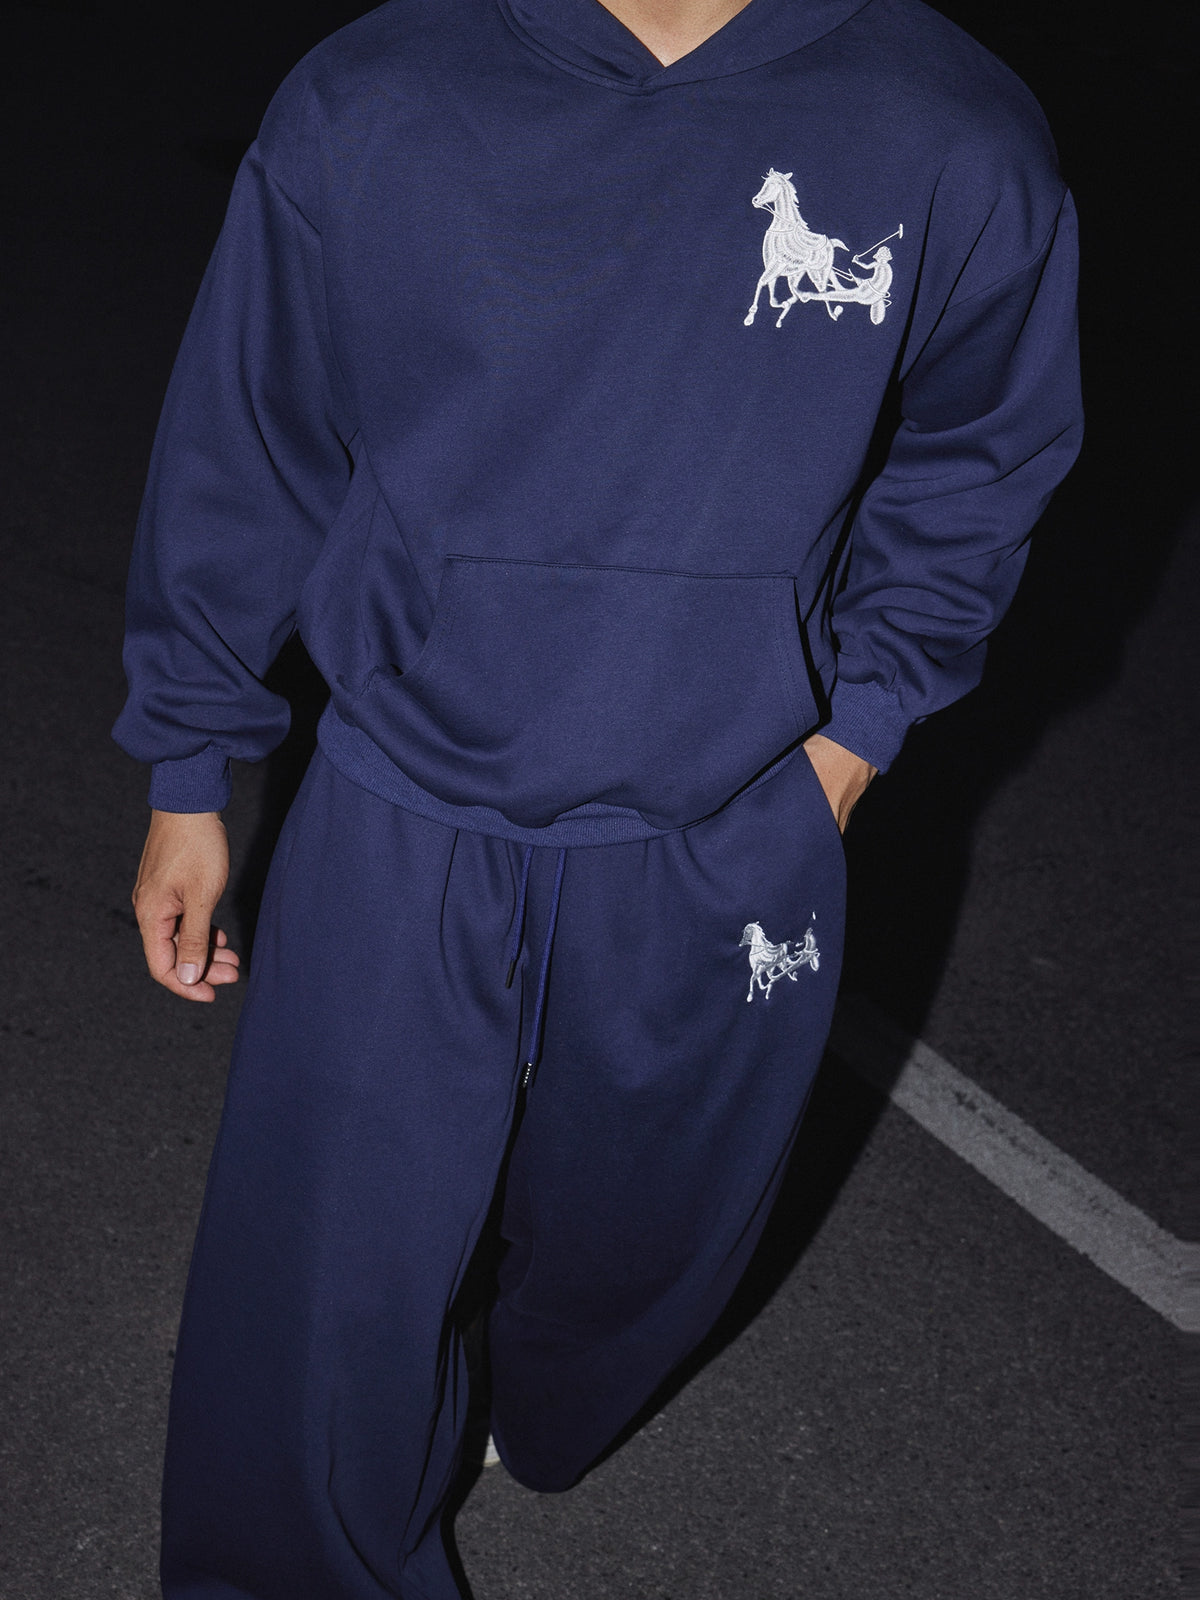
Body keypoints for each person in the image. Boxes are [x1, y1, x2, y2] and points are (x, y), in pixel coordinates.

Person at [115, 0, 1082, 1594]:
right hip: (405, 796)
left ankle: (536, 1393)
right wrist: (188, 763)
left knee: (648, 1243)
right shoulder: (379, 91)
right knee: (320, 1293)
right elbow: (252, 435)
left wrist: (854, 736)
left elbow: (986, 453)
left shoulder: (945, 122)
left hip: (732, 820)